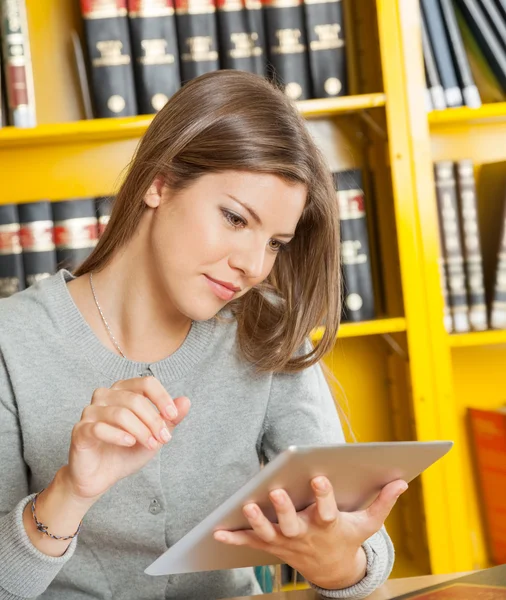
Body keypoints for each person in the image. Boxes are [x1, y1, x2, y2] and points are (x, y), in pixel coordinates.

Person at [0, 70, 407, 600]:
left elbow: (362, 541)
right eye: (236, 219)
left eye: (276, 243)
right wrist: (70, 493)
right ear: (159, 183)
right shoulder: (13, 341)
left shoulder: (268, 331)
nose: (254, 265)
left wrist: (341, 566)